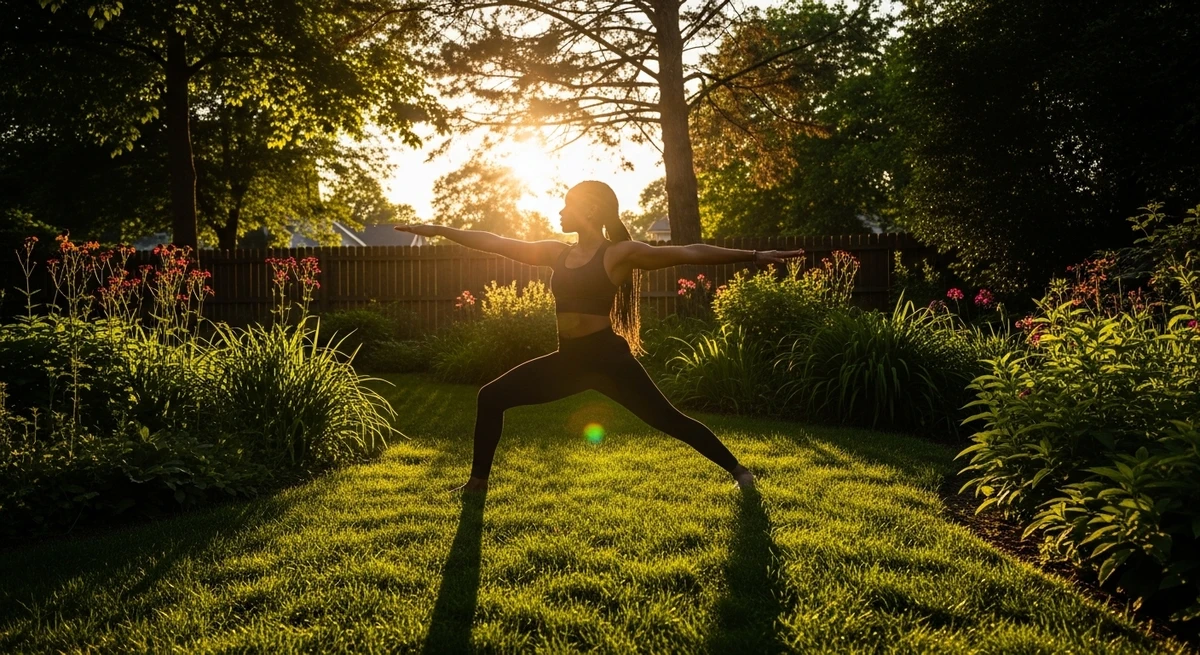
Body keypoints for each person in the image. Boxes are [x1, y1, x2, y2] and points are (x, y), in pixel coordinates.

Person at [394, 180, 803, 494]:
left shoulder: (618, 254)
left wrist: (753, 257)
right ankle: (478, 484)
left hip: (607, 360)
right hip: (568, 360)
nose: (559, 210)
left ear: (588, 210)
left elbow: (688, 251)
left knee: (668, 420)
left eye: (567, 204)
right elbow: (497, 242)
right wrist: (437, 229)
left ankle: (740, 473)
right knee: (491, 396)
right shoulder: (556, 252)